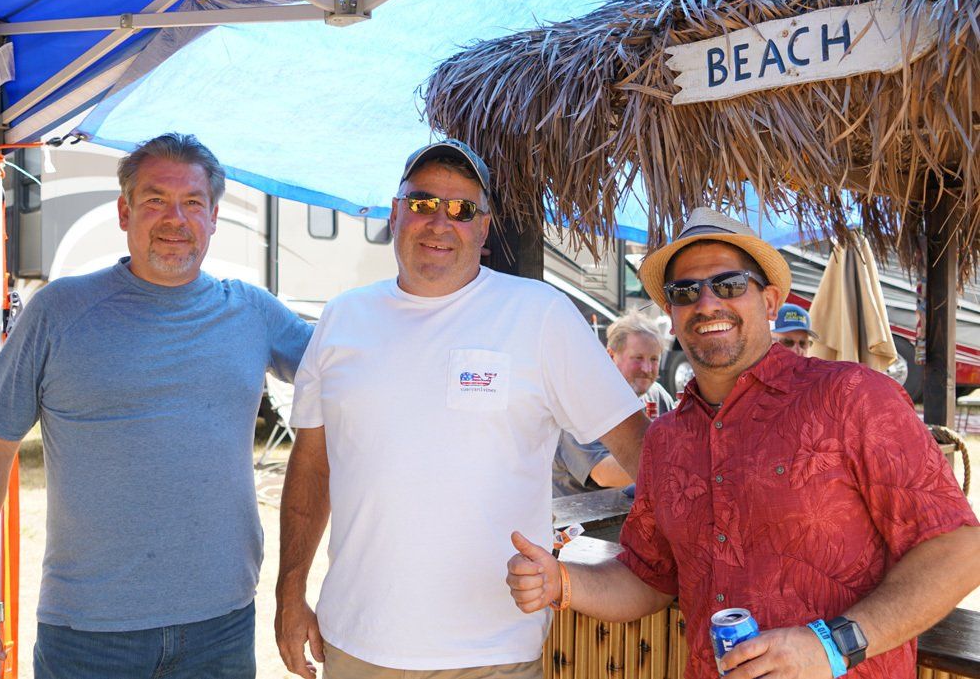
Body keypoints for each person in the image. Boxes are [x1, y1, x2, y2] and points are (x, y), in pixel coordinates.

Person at [506, 207, 980, 679]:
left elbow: (959, 549)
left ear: (771, 301)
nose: (707, 303)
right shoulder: (667, 439)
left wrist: (832, 646)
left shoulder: (853, 397)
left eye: (729, 284)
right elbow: (647, 577)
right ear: (672, 314)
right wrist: (562, 581)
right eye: (685, 292)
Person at [0, 134, 312, 679]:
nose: (174, 219)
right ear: (123, 211)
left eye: (192, 203)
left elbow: (352, 374)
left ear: (213, 218)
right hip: (89, 638)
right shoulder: (60, 311)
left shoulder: (253, 312)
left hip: (221, 626)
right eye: (155, 200)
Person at [275, 139, 649, 679]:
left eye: (462, 209)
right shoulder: (341, 318)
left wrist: (673, 561)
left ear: (484, 225)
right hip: (357, 645)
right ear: (395, 211)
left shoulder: (539, 315)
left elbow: (641, 450)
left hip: (491, 653)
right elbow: (311, 465)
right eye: (423, 203)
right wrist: (290, 593)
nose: (439, 222)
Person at [552, 312, 675, 496]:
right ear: (610, 356)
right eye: (638, 358)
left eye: (654, 359)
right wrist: (677, 464)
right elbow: (603, 473)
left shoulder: (657, 395)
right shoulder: (584, 399)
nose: (647, 369)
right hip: (585, 520)